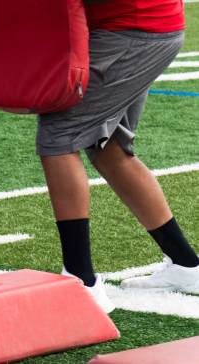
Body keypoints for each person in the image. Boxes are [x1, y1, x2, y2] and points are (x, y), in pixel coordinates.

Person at [38, 0, 198, 313]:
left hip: (130, 30)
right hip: (143, 26)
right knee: (108, 146)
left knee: (58, 137)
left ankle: (81, 281)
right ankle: (186, 266)